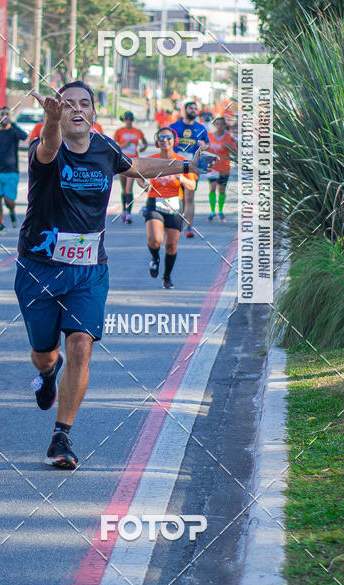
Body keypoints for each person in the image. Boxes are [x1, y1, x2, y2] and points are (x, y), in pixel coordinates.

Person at [14, 81, 209, 469]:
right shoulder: (44, 148)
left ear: (94, 112)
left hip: (89, 270)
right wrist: (49, 123)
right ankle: (49, 373)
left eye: (84, 103)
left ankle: (61, 437)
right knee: (43, 353)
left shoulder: (105, 148)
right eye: (67, 104)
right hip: (40, 269)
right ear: (58, 111)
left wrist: (185, 164)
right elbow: (50, 148)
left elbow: (136, 168)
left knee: (81, 346)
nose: (76, 109)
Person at [139, 127, 197, 289]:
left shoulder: (182, 161)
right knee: (155, 239)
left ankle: (167, 277)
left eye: (168, 138)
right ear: (157, 142)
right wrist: (144, 184)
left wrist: (182, 179)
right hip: (154, 202)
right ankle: (155, 258)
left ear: (174, 141)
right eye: (161, 138)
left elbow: (192, 185)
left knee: (171, 245)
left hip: (174, 204)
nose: (165, 140)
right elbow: (139, 177)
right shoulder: (150, 160)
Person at [170, 101, 209, 238]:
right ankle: (177, 222)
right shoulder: (174, 126)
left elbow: (207, 145)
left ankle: (188, 227)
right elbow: (167, 142)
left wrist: (204, 146)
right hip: (175, 165)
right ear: (184, 110)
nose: (193, 110)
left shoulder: (201, 128)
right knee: (177, 196)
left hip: (192, 167)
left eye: (195, 108)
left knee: (189, 196)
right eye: (190, 108)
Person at [0, 106, 27, 236]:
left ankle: (11, 211)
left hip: (11, 172)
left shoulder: (14, 131)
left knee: (9, 201)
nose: (4, 115)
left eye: (6, 114)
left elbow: (24, 136)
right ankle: (2, 225)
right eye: (2, 114)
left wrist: (12, 123)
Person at [113, 111, 148, 224]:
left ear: (132, 120)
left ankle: (128, 213)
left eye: (130, 119)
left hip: (133, 162)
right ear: (124, 120)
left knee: (129, 188)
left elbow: (145, 143)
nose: (128, 121)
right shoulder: (119, 131)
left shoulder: (138, 131)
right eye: (126, 119)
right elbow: (114, 147)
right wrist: (123, 145)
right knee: (124, 190)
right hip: (122, 161)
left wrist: (141, 149)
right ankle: (124, 210)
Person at [207, 117, 237, 222]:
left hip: (224, 167)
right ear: (215, 125)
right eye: (217, 124)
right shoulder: (209, 136)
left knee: (222, 190)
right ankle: (212, 211)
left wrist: (229, 146)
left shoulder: (228, 138)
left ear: (225, 126)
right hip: (212, 166)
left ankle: (220, 210)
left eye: (221, 124)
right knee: (212, 187)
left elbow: (236, 152)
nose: (219, 126)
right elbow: (204, 148)